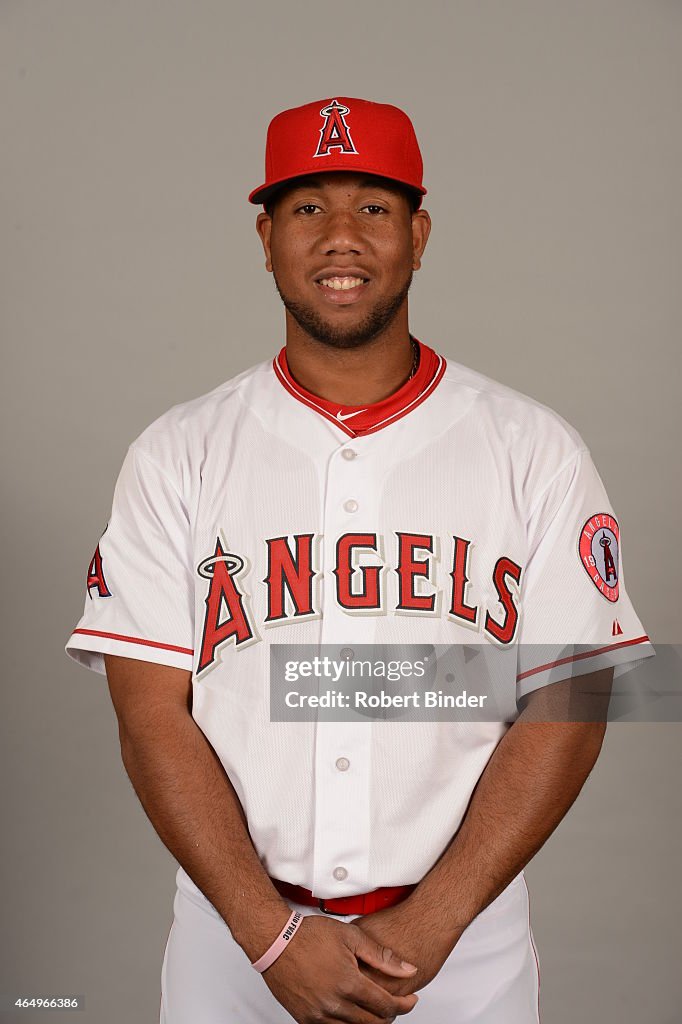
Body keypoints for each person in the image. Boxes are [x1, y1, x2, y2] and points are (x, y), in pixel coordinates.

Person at [65, 96, 654, 1024]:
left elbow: (570, 700)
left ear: (419, 235)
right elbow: (150, 716)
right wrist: (270, 934)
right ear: (266, 239)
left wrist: (432, 927)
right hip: (235, 946)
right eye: (308, 209)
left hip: (461, 951)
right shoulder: (176, 453)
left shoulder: (535, 450)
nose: (341, 236)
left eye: (373, 209)